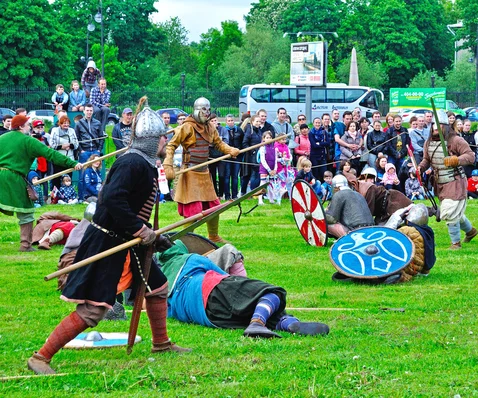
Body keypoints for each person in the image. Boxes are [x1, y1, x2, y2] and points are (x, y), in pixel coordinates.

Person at [27, 99, 190, 376]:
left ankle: (161, 343)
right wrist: (141, 231)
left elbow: (133, 206)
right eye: (163, 136)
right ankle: (41, 357)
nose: (166, 141)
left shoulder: (144, 163)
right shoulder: (131, 163)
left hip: (129, 240)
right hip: (108, 241)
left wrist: (153, 236)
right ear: (151, 139)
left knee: (157, 288)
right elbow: (113, 200)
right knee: (93, 309)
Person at [158, 241, 329, 338]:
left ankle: (288, 323)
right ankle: (257, 324)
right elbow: (227, 277)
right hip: (209, 288)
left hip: (209, 318)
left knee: (251, 309)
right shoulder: (191, 259)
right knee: (270, 293)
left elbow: (162, 310)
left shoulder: (162, 284)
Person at [163, 97, 240, 244]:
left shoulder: (209, 127)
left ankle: (213, 235)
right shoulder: (187, 127)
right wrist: (168, 164)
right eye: (203, 110)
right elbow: (171, 145)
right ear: (197, 110)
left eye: (208, 110)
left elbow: (218, 143)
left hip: (204, 173)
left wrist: (231, 150)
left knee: (214, 207)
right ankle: (185, 240)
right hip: (191, 173)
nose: (206, 113)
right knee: (193, 211)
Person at [0, 115, 83, 252]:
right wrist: (72, 163)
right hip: (13, 178)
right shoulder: (29, 141)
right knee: (26, 211)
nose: (30, 127)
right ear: (21, 127)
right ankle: (25, 246)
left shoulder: (2, 139)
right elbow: (50, 154)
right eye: (28, 125)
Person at [418, 111, 477, 250]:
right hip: (440, 183)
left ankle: (455, 243)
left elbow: (470, 156)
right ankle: (471, 231)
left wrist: (456, 160)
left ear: (445, 126)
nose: (435, 129)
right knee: (455, 213)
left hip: (455, 181)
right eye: (433, 126)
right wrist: (420, 168)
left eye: (439, 126)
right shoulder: (429, 142)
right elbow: (427, 159)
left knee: (449, 212)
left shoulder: (456, 140)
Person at [48, 116, 79, 191]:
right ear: (60, 124)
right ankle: (56, 195)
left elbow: (76, 144)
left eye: (68, 123)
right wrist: (62, 146)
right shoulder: (55, 130)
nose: (66, 125)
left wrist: (69, 145)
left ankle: (68, 195)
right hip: (58, 158)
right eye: (64, 123)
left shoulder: (72, 130)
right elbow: (52, 144)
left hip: (69, 158)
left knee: (68, 177)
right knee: (57, 178)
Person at [223, 114, 244, 200]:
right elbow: (223, 144)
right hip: (227, 157)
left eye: (232, 120)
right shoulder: (224, 130)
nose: (231, 122)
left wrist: (237, 154)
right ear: (226, 122)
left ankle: (234, 195)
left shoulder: (239, 130)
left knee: (235, 177)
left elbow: (243, 143)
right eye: (229, 121)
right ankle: (227, 195)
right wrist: (230, 153)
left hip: (237, 157)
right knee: (227, 176)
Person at [240, 115, 262, 196]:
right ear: (252, 122)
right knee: (247, 175)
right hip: (249, 156)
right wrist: (252, 151)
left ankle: (254, 193)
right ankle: (243, 192)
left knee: (256, 174)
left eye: (259, 121)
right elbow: (244, 143)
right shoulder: (250, 130)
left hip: (258, 155)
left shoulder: (259, 131)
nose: (258, 123)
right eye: (256, 121)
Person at [258, 131, 279, 205]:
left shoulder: (274, 148)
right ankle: (260, 200)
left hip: (272, 168)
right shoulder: (262, 148)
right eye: (267, 138)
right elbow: (263, 160)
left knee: (271, 184)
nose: (269, 139)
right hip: (264, 168)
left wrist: (275, 169)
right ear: (263, 139)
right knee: (263, 184)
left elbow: (276, 159)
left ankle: (271, 199)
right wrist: (269, 170)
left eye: (270, 137)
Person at [308, 117, 329, 182]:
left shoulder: (324, 132)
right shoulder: (311, 133)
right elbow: (314, 145)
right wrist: (322, 144)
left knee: (323, 173)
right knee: (315, 173)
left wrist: (319, 143)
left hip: (322, 156)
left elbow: (328, 143)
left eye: (319, 123)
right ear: (313, 124)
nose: (317, 124)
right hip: (314, 156)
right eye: (316, 123)